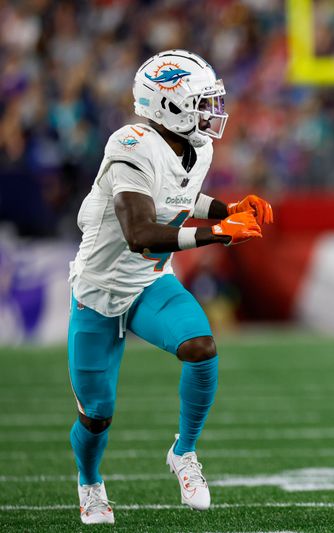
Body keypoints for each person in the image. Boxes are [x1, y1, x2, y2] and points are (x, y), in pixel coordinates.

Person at [68, 49, 272, 525]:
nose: (211, 112)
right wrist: (215, 234)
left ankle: (184, 453)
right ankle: (90, 483)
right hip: (99, 292)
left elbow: (181, 192)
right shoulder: (130, 144)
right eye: (201, 102)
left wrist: (227, 209)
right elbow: (140, 233)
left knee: (201, 347)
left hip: (150, 283)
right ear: (168, 105)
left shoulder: (197, 145)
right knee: (97, 414)